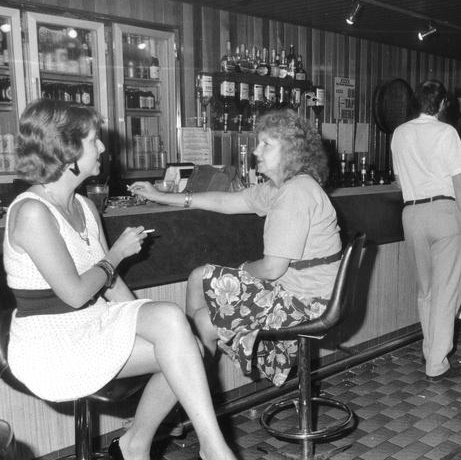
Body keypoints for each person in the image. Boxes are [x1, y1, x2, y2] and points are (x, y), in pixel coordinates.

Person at [3, 100, 247, 460]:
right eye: (93, 140)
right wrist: (115, 255)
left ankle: (172, 447)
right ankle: (170, 449)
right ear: (66, 150)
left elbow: (112, 287)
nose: (102, 148)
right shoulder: (32, 211)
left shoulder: (84, 206)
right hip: (51, 342)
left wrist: (152, 322)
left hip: (90, 323)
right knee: (179, 339)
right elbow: (74, 292)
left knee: (179, 332)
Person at [131, 109, 341, 388]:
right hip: (299, 293)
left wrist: (239, 271)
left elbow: (272, 268)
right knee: (198, 277)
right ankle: (190, 387)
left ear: (292, 152)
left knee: (203, 323)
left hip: (305, 304)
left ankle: (191, 394)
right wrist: (163, 196)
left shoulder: (296, 193)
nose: (256, 151)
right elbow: (226, 201)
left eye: (267, 144)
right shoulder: (285, 186)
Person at [390, 79, 461, 380]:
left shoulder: (399, 133)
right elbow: (460, 182)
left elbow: (400, 181)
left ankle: (431, 352)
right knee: (446, 290)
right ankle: (436, 362)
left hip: (411, 214)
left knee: (425, 291)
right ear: (441, 105)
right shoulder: (446, 132)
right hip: (444, 211)